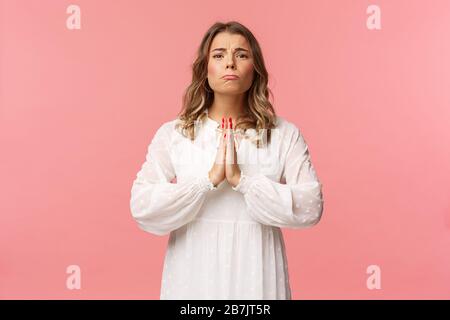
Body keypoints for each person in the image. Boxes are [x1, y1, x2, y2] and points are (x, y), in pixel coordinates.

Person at [129, 21, 324, 300]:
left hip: (258, 276)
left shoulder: (283, 134)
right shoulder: (175, 133)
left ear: (254, 70)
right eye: (219, 55)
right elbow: (142, 205)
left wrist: (242, 181)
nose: (230, 63)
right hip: (193, 276)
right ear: (204, 68)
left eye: (241, 55)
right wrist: (207, 181)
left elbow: (311, 206)